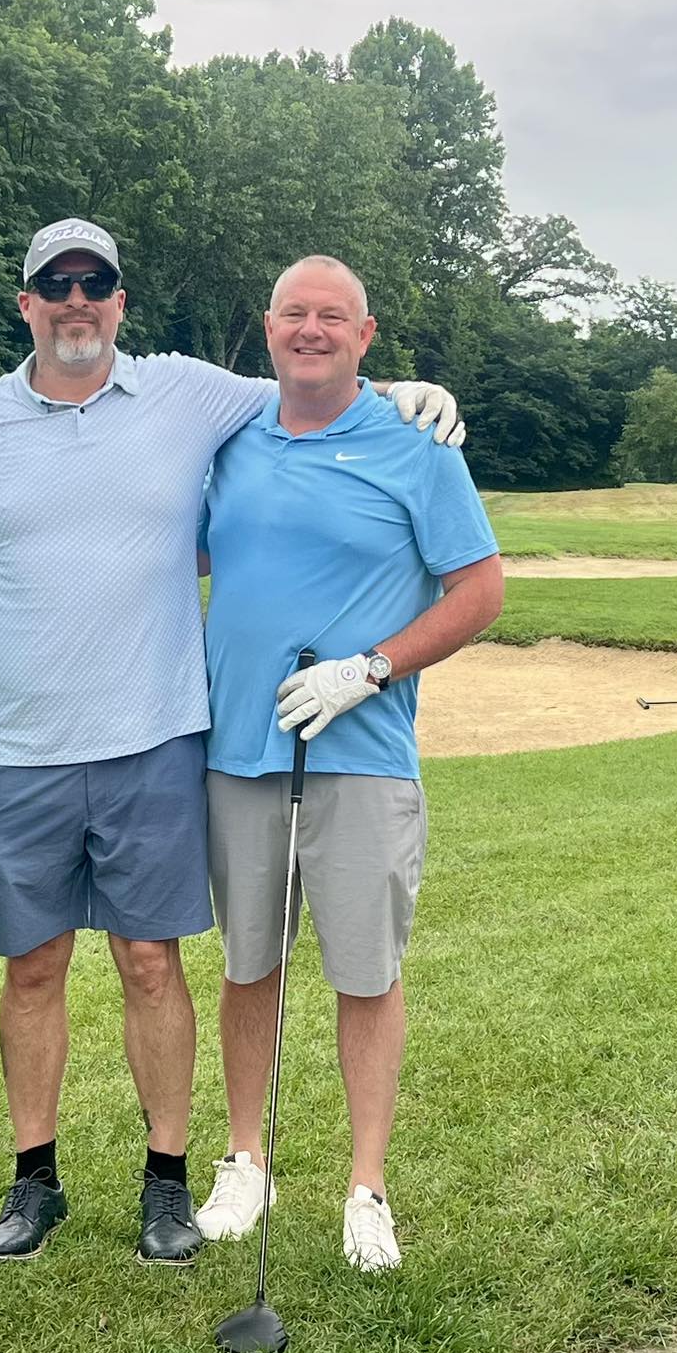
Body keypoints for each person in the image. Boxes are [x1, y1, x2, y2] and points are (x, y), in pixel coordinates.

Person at [0, 219, 464, 1266]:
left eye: (96, 283)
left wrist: (402, 387)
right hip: (20, 745)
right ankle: (34, 1179)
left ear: (121, 301)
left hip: (156, 738)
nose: (76, 300)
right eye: (56, 284)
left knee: (150, 960)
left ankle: (169, 1183)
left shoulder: (182, 389)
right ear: (26, 300)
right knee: (33, 966)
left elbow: (309, 380)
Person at [196, 253, 503, 1270]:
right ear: (269, 325)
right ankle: (246, 1157)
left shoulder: (417, 446)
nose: (312, 329)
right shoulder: (231, 436)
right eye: (295, 313)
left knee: (366, 972)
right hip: (239, 747)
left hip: (362, 750)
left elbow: (479, 590)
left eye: (335, 316)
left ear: (366, 336)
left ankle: (367, 1184)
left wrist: (370, 669)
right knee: (250, 963)